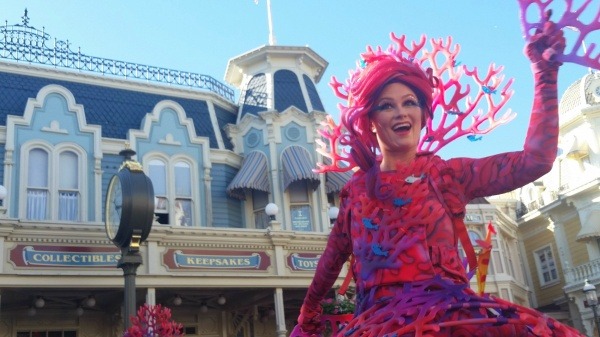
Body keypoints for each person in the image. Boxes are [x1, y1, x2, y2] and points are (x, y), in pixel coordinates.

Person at [290, 14, 587, 337]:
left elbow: (535, 161)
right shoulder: (357, 193)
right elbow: (330, 263)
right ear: (370, 120)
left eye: (410, 102)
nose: (401, 112)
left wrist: (545, 74)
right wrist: (307, 317)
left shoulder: (447, 175)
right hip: (380, 325)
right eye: (387, 106)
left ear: (422, 112)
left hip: (451, 321)